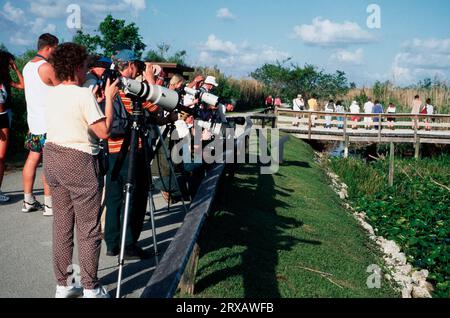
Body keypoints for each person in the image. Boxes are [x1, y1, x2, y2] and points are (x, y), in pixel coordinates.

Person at [43, 42, 119, 298]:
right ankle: (90, 288)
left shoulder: (51, 93)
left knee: (62, 226)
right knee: (88, 229)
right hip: (78, 160)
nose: (88, 71)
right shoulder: (83, 95)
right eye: (85, 66)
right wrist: (108, 99)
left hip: (52, 157)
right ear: (76, 67)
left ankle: (63, 285)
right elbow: (104, 132)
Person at [104, 49, 158, 260]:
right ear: (130, 65)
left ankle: (112, 242)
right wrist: (151, 81)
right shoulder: (134, 88)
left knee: (115, 197)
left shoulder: (110, 84)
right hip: (132, 151)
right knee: (134, 197)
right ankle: (129, 244)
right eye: (137, 64)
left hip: (113, 149)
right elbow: (155, 107)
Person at [22, 33, 59, 216]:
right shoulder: (46, 67)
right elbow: (61, 87)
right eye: (56, 49)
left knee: (32, 158)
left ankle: (28, 199)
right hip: (48, 124)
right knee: (48, 164)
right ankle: (49, 204)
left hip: (34, 122)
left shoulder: (28, 66)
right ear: (49, 47)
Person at [0, 51, 24, 202]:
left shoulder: (5, 78)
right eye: (10, 63)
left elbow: (22, 86)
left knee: (1, 157)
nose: (11, 66)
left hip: (3, 117)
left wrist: (16, 69)